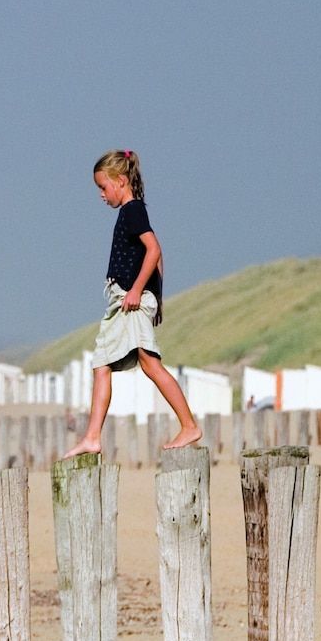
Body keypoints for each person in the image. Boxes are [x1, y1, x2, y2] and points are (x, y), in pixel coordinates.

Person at [63, 148, 202, 457]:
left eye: (103, 186)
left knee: (149, 363)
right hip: (124, 300)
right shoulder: (130, 212)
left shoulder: (133, 210)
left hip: (130, 298)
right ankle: (92, 437)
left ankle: (189, 425)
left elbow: (153, 249)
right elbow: (158, 257)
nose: (101, 194)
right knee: (102, 364)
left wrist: (140, 291)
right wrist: (157, 297)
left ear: (121, 181)